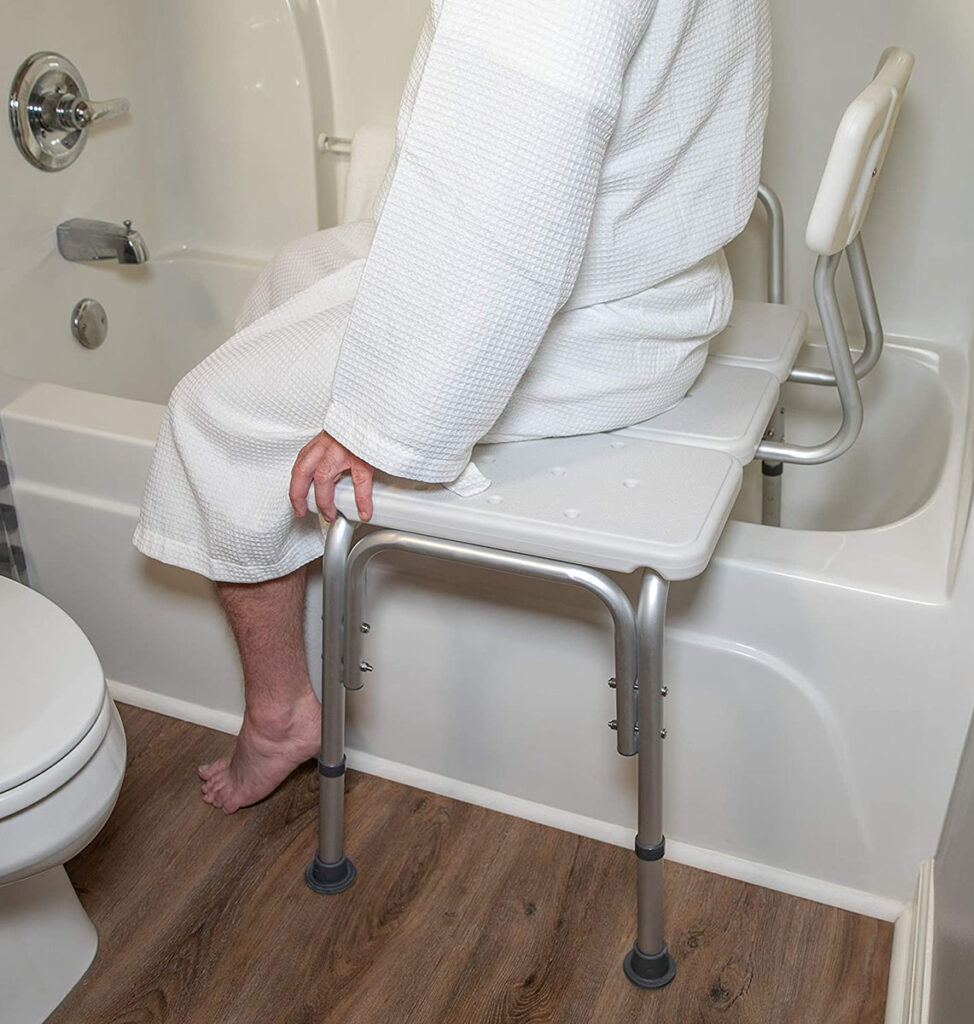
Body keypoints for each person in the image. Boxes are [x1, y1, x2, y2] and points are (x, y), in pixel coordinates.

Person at [133, 0, 771, 813]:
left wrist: (389, 415)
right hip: (643, 275)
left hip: (588, 322)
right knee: (291, 274)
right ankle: (292, 568)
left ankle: (281, 713)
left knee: (213, 414)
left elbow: (506, 208)